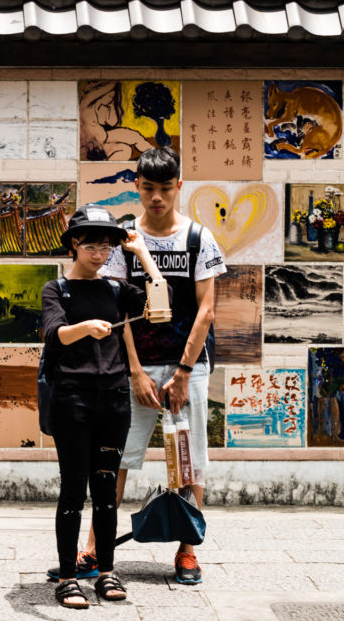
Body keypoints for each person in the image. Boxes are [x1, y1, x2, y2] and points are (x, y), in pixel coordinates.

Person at [80, 146, 227, 586]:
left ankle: (188, 551)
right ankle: (93, 548)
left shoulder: (199, 238)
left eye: (165, 188)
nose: (157, 197)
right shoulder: (124, 240)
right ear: (137, 187)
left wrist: (182, 373)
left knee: (189, 461)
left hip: (188, 366)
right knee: (119, 458)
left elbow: (206, 311)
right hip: (138, 367)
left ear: (178, 187)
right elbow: (116, 310)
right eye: (148, 188)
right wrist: (136, 372)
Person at [41, 205, 155, 609]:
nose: (100, 252)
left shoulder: (115, 289)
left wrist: (141, 255)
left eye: (107, 245)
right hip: (72, 398)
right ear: (74, 244)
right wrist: (85, 328)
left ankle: (107, 571)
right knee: (73, 489)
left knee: (106, 488)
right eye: (91, 244)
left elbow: (162, 305)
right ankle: (68, 576)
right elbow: (55, 335)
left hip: (113, 399)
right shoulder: (57, 290)